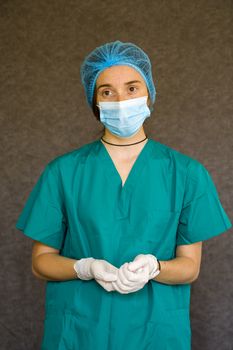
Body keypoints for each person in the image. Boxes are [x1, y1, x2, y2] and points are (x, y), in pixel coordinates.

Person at [15, 40, 232, 350]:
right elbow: (41, 262)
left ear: (149, 94)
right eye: (107, 92)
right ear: (95, 103)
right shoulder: (63, 172)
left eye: (132, 89)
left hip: (156, 333)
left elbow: (190, 267)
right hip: (80, 331)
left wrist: (155, 267)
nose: (120, 100)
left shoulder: (186, 173)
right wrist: (85, 267)